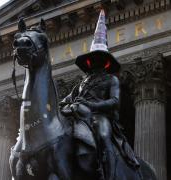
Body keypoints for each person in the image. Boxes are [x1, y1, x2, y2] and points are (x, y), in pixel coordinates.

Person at [60, 9, 140, 180]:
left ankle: (109, 175)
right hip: (79, 116)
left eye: (99, 58)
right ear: (89, 61)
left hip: (100, 117)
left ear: (105, 61)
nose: (95, 61)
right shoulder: (82, 82)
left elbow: (114, 101)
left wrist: (93, 105)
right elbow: (66, 100)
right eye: (93, 58)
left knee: (103, 136)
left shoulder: (111, 80)